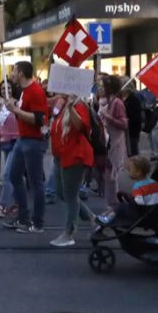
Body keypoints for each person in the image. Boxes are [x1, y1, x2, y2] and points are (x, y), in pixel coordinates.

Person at [3, 61, 48, 233]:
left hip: (33, 140)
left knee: (35, 182)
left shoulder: (35, 91)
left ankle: (37, 222)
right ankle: (24, 217)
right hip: (23, 139)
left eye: (14, 71)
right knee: (14, 176)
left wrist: (15, 110)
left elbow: (38, 119)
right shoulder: (25, 91)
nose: (12, 74)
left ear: (21, 73)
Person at [49, 95, 95, 247]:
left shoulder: (79, 104)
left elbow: (81, 127)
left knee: (70, 195)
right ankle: (91, 218)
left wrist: (70, 107)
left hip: (75, 155)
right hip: (61, 155)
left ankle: (69, 233)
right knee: (62, 192)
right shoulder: (61, 102)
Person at [96, 156, 158, 226]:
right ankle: (106, 216)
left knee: (120, 207)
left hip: (140, 212)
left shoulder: (138, 186)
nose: (128, 172)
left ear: (138, 172)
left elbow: (139, 201)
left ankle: (108, 219)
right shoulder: (154, 183)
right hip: (151, 211)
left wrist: (132, 198)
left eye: (130, 170)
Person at [0, 82, 21, 218]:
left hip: (16, 142)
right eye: (2, 88)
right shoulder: (3, 106)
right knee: (14, 176)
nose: (5, 90)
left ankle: (2, 206)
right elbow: (2, 127)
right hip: (5, 144)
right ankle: (18, 204)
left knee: (7, 175)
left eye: (8, 88)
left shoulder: (17, 104)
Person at [99, 75, 129, 208]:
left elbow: (123, 124)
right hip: (108, 142)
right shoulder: (106, 101)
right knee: (108, 176)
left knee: (113, 176)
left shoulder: (117, 103)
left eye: (102, 86)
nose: (100, 88)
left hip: (115, 144)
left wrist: (108, 117)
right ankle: (110, 205)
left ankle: (116, 206)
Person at [123, 86, 143, 157]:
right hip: (127, 128)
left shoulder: (133, 99)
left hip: (133, 128)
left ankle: (136, 165)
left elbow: (135, 116)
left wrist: (125, 121)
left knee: (133, 148)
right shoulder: (123, 98)